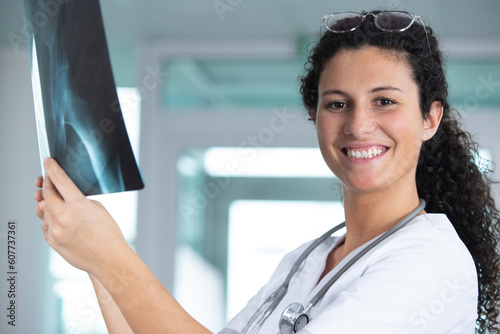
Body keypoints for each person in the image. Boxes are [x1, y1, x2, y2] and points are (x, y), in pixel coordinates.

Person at [34, 10, 500, 334]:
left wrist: (114, 256)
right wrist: (94, 259)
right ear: (315, 117)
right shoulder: (307, 259)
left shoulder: (432, 263)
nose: (359, 125)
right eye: (337, 103)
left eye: (385, 101)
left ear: (430, 118)